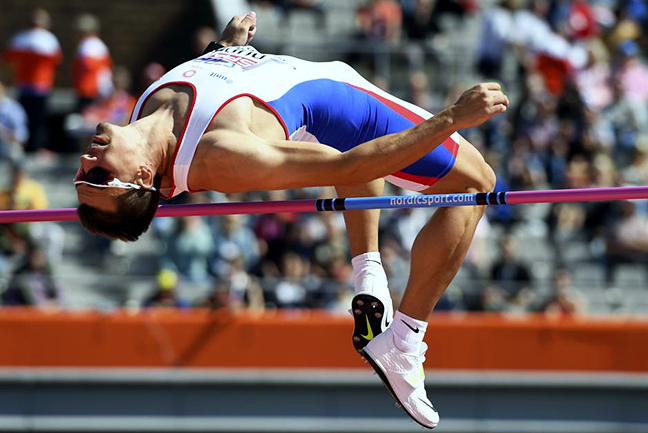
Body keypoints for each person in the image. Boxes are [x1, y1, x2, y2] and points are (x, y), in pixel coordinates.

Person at [73, 12, 507, 428]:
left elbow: (213, 86)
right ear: (142, 177)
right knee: (477, 182)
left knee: (387, 170)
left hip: (319, 83)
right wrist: (453, 116)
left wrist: (224, 47)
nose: (86, 162)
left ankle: (370, 276)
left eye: (81, 176)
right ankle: (405, 339)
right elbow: (351, 168)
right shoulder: (220, 156)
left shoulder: (145, 113)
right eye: (98, 177)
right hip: (344, 106)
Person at [4, 8, 62, 153]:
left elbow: (8, 57)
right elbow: (57, 59)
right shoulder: (49, 39)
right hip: (40, 85)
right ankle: (37, 147)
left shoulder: (21, 38)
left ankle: (26, 147)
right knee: (38, 119)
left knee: (25, 117)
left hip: (26, 84)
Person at [73, 13, 114, 112]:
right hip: (96, 90)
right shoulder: (99, 44)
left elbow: (90, 67)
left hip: (89, 90)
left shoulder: (88, 45)